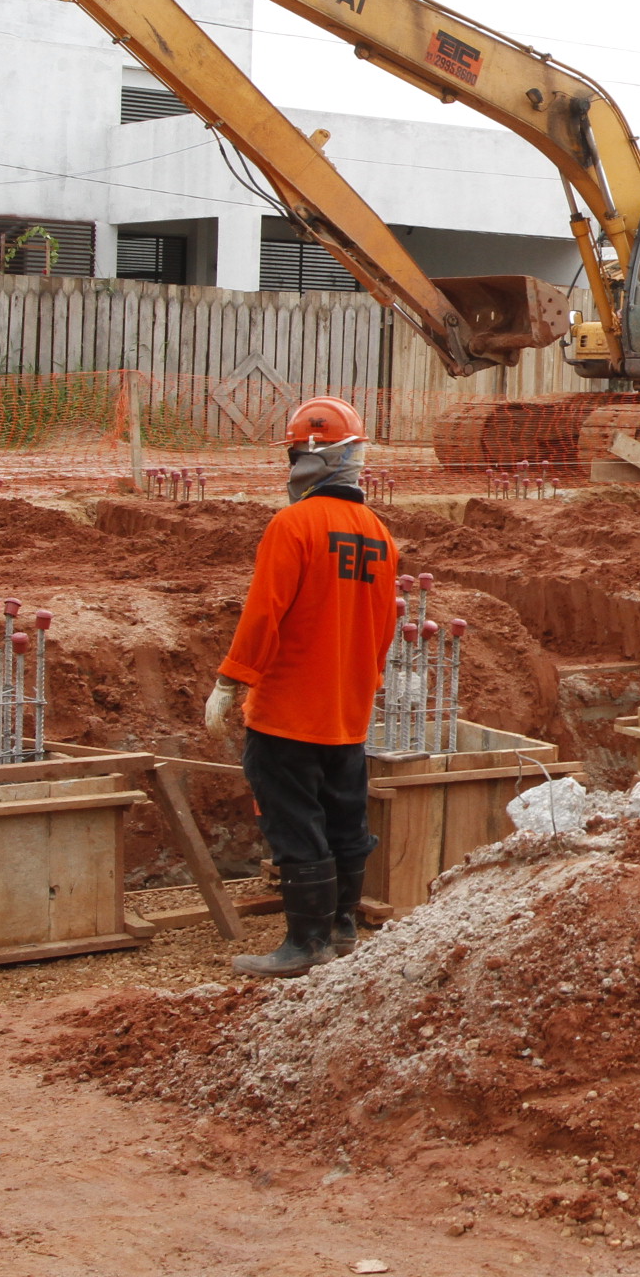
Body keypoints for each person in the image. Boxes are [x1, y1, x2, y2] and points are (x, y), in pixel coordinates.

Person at [203, 396, 401, 977]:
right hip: (347, 710)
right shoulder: (379, 535)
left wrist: (229, 681)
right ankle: (340, 929)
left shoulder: (292, 526)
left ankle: (305, 943)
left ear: (311, 457)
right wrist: (362, 685)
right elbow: (384, 628)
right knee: (344, 818)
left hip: (289, 710)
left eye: (293, 455)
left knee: (295, 822)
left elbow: (265, 613)